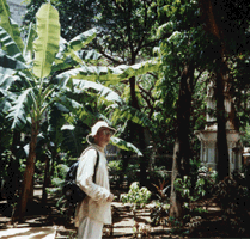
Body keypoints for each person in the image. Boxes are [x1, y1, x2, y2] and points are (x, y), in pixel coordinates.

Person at [75, 121, 116, 239]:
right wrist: (104, 194)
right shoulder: (91, 154)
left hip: (98, 210)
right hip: (90, 211)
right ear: (95, 136)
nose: (108, 135)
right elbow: (84, 182)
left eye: (109, 133)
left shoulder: (100, 154)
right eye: (105, 132)